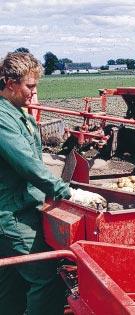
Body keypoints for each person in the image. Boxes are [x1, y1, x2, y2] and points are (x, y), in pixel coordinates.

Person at [0, 52, 72, 315]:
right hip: (12, 216)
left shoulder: (17, 114)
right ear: (10, 83)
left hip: (16, 209)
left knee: (10, 282)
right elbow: (27, 163)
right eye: (29, 86)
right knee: (46, 279)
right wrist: (66, 191)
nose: (34, 92)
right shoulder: (2, 119)